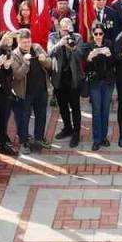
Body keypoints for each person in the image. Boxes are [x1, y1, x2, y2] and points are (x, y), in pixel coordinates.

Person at [10, 29, 51, 154]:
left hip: (41, 90)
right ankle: (24, 142)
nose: (27, 45)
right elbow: (17, 75)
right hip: (25, 92)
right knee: (24, 118)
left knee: (41, 115)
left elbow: (49, 65)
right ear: (18, 42)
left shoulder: (37, 47)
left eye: (28, 41)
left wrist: (44, 60)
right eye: (24, 43)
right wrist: (26, 63)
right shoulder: (14, 55)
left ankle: (39, 138)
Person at [48, 18, 85, 147]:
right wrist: (60, 44)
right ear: (59, 28)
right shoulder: (53, 37)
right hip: (59, 77)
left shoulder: (77, 37)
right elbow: (50, 52)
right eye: (64, 30)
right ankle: (67, 127)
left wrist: (72, 47)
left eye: (69, 30)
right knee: (62, 106)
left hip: (73, 77)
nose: (66, 33)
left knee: (75, 107)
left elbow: (81, 55)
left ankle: (76, 133)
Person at [82, 26, 116, 151]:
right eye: (95, 33)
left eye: (100, 33)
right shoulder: (88, 46)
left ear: (103, 34)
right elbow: (84, 66)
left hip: (107, 82)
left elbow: (114, 62)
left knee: (105, 110)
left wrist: (109, 55)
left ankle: (104, 137)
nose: (98, 36)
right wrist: (89, 57)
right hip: (95, 82)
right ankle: (96, 139)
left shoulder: (108, 44)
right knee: (96, 111)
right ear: (92, 34)